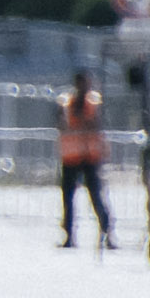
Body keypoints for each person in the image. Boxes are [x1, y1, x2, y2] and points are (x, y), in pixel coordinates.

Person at [54, 73, 113, 246]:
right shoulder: (66, 104)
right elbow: (60, 124)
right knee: (68, 200)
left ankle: (107, 233)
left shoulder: (94, 104)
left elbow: (98, 125)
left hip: (89, 158)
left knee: (96, 197)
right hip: (71, 158)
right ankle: (69, 236)